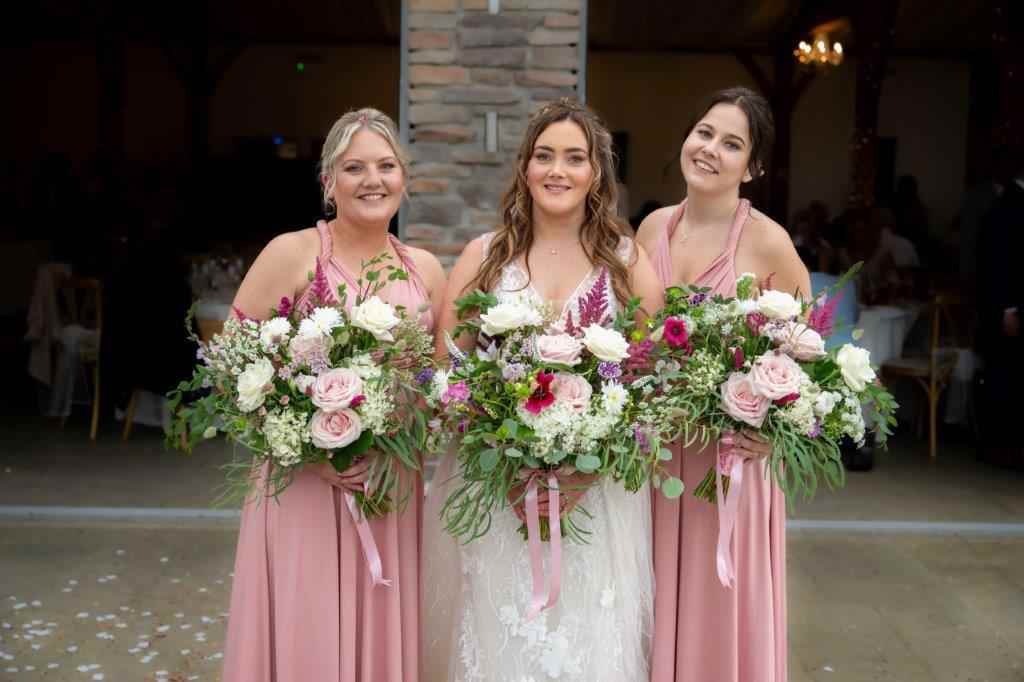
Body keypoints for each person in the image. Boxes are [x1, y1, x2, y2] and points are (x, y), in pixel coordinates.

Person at [422, 99, 664, 681]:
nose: (558, 170)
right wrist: (502, 451)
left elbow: (654, 376)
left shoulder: (626, 262)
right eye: (545, 155)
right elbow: (447, 366)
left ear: (596, 173)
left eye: (575, 158)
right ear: (525, 167)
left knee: (588, 637)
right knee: (499, 632)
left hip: (596, 492)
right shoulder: (485, 256)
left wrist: (589, 463)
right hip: (497, 487)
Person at [221, 108, 446, 682]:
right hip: (304, 485)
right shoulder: (292, 252)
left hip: (391, 485)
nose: (373, 180)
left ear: (404, 179)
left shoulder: (425, 270)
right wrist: (306, 445)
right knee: (309, 628)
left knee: (380, 620)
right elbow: (232, 368)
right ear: (328, 182)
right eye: (354, 167)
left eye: (386, 166)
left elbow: (443, 379)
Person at [637, 86, 809, 682]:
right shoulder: (651, 228)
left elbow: (809, 355)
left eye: (732, 144)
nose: (710, 149)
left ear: (753, 167)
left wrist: (778, 431)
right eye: (704, 133)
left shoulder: (767, 241)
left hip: (729, 464)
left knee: (718, 607)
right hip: (656, 457)